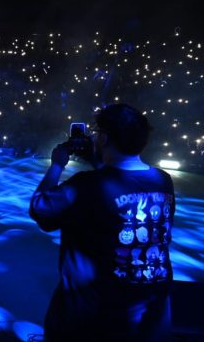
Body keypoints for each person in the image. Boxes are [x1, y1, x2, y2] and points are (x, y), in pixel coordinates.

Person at [30, 104, 175, 340]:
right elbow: (121, 186)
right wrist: (98, 161)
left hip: (93, 314)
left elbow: (41, 211)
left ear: (104, 138)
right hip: (148, 307)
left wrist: (57, 165)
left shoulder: (85, 185)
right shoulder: (162, 180)